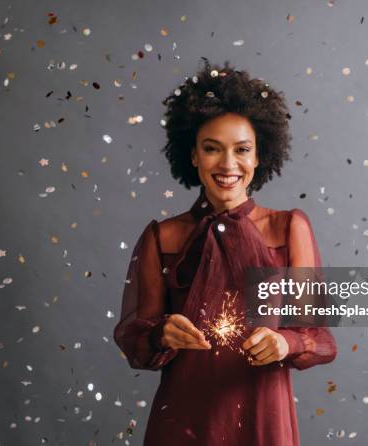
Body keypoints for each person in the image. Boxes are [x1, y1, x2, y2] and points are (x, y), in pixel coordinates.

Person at [114, 59, 337, 446]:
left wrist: (286, 342)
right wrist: (161, 333)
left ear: (259, 156)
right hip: (182, 416)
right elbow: (136, 338)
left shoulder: (289, 228)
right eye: (212, 149)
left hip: (262, 414)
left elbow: (318, 336)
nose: (228, 164)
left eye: (242, 149)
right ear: (193, 155)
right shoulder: (162, 237)